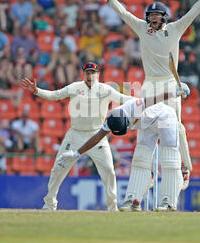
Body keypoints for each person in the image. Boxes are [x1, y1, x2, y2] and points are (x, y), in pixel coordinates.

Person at [88, 0, 200, 190]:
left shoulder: (176, 28)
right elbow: (121, 11)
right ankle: (147, 172)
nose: (153, 19)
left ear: (164, 17)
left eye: (157, 16)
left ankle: (185, 168)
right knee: (145, 128)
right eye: (151, 16)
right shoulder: (142, 28)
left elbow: (194, 12)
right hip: (150, 83)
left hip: (170, 82)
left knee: (176, 127)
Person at [19, 62, 139, 212]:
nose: (90, 76)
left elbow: (124, 99)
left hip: (97, 135)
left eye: (92, 73)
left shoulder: (105, 89)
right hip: (75, 134)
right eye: (87, 73)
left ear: (98, 74)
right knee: (59, 168)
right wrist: (37, 91)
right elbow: (55, 95)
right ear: (83, 74)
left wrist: (144, 102)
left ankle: (112, 208)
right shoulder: (75, 88)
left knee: (108, 170)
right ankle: (49, 204)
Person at [56, 80, 190, 211]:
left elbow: (156, 98)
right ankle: (132, 200)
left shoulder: (135, 106)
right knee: (140, 159)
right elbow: (96, 138)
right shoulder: (111, 119)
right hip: (146, 125)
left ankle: (168, 201)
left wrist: (175, 91)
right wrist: (76, 153)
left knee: (169, 158)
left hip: (164, 119)